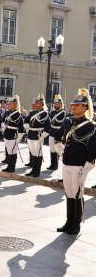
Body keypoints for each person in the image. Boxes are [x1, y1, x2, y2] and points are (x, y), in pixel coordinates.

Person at [55, 88, 96, 235]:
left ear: (84, 108)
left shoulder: (91, 126)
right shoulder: (68, 122)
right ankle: (69, 221)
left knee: (78, 194)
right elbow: (57, 135)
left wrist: (86, 170)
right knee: (69, 193)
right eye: (72, 104)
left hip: (79, 166)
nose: (73, 107)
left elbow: (93, 151)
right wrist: (59, 148)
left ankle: (76, 223)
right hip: (66, 163)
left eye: (77, 105)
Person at [25, 94, 50, 177]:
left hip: (38, 136)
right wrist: (27, 128)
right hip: (31, 135)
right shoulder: (33, 112)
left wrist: (42, 137)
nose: (35, 104)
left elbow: (47, 128)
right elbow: (25, 120)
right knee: (33, 153)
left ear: (42, 104)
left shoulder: (45, 114)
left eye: (37, 102)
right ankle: (33, 169)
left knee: (38, 153)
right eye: (35, 102)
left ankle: (37, 171)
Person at [1, 95, 25, 173]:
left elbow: (21, 128)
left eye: (10, 104)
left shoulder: (18, 114)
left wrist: (18, 139)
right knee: (9, 151)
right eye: (9, 103)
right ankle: (9, 166)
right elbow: (4, 122)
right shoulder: (8, 113)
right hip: (7, 134)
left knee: (13, 151)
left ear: (15, 104)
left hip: (13, 135)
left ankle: (12, 167)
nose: (9, 105)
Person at [47, 94, 66, 171]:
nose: (55, 105)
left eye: (57, 104)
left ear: (61, 105)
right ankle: (52, 164)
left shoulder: (63, 113)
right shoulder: (52, 112)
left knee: (57, 149)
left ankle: (56, 165)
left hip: (58, 132)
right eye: (55, 104)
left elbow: (62, 123)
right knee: (51, 149)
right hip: (52, 132)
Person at [24, 101, 37, 167]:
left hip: (36, 133)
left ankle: (34, 163)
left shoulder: (39, 113)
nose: (33, 106)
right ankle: (31, 161)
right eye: (33, 105)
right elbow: (26, 120)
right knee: (30, 148)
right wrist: (27, 126)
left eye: (34, 105)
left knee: (35, 150)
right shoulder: (32, 113)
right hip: (30, 131)